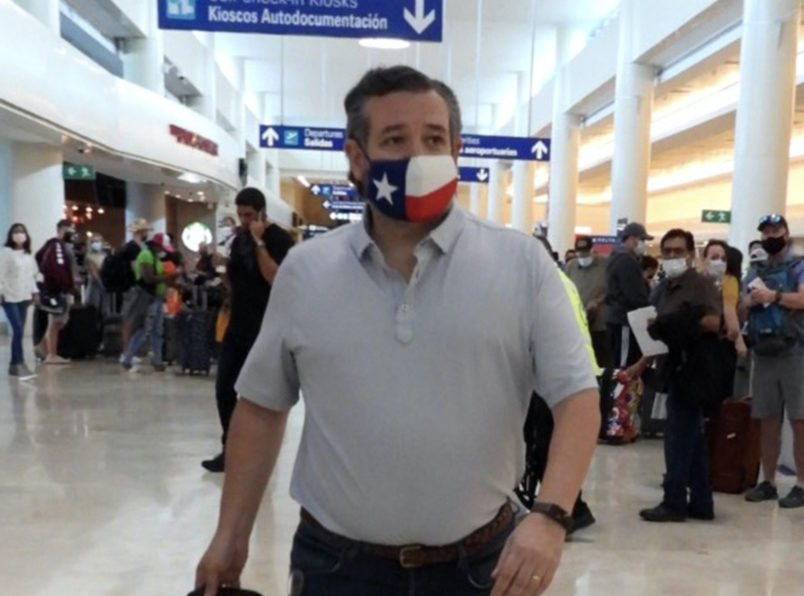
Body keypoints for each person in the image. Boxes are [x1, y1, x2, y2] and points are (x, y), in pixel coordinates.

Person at [195, 65, 600, 596]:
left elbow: (577, 397)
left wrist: (551, 515)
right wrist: (230, 534)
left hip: (481, 567)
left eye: (433, 139)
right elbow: (262, 407)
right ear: (357, 158)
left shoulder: (521, 263)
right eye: (394, 139)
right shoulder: (306, 271)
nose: (418, 155)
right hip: (337, 568)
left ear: (456, 150)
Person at [629, 229, 722, 522]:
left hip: (694, 366)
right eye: (667, 251)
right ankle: (702, 501)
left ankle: (674, 501)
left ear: (691, 254)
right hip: (672, 365)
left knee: (678, 436)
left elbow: (713, 322)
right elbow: (657, 329)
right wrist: (641, 363)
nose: (671, 256)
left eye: (678, 251)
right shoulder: (663, 288)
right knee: (691, 436)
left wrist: (679, 322)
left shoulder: (700, 285)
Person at [200, 188, 295, 473]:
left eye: (249, 215)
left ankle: (257, 452)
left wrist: (259, 241)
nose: (244, 220)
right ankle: (231, 449)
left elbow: (275, 276)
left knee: (259, 395)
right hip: (238, 325)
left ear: (261, 213)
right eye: (240, 214)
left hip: (265, 328)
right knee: (224, 389)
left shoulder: (278, 239)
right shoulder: (239, 239)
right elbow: (235, 276)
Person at [742, 214, 804, 508]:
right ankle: (767, 481)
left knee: (799, 420)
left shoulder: (799, 265)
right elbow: (742, 307)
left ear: (786, 233)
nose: (771, 236)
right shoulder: (756, 269)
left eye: (776, 230)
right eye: (766, 232)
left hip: (795, 351)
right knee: (767, 420)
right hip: (764, 351)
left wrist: (774, 296)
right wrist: (750, 300)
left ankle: (801, 484)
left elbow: (803, 300)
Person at [120, 233, 177, 371]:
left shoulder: (154, 257)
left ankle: (157, 360)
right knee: (144, 329)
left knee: (156, 330)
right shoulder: (146, 255)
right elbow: (148, 278)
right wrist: (168, 277)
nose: (163, 251)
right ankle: (128, 358)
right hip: (146, 297)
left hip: (156, 297)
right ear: (156, 246)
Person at [605, 222, 653, 368]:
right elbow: (635, 295)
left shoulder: (615, 257)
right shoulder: (626, 261)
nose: (643, 244)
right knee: (624, 364)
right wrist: (649, 311)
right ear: (632, 239)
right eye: (642, 240)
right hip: (625, 320)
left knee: (619, 360)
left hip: (616, 318)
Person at [565, 235, 612, 368]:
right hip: (579, 324)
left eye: (586, 253)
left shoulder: (606, 265)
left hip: (600, 325)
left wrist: (599, 301)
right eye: (580, 253)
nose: (583, 256)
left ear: (592, 250)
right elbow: (565, 289)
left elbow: (614, 289)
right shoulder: (571, 266)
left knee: (602, 361)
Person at [34, 219, 76, 365]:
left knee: (58, 321)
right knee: (58, 321)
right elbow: (59, 268)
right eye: (71, 229)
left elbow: (38, 256)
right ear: (63, 229)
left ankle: (43, 347)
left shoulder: (52, 244)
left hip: (55, 287)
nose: (73, 232)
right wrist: (64, 285)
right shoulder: (57, 245)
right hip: (59, 289)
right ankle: (51, 353)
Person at [0, 223, 39, 377]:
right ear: (11, 235)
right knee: (17, 329)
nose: (19, 234)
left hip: (24, 296)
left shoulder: (27, 255)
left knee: (20, 331)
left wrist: (35, 292)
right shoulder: (6, 253)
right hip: (9, 296)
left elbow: (31, 276)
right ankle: (19, 362)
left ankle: (13, 364)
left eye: (22, 231)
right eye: (16, 231)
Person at [119, 219, 152, 363]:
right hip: (132, 288)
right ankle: (126, 351)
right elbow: (135, 268)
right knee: (129, 319)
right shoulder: (132, 248)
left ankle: (130, 351)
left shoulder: (138, 247)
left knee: (135, 320)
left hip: (136, 288)